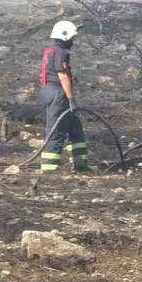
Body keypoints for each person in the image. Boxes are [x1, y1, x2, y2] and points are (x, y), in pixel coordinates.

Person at [38, 21, 92, 173]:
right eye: (72, 38)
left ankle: (80, 164)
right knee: (56, 130)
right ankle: (49, 168)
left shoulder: (52, 50)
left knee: (74, 127)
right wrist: (70, 99)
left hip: (51, 92)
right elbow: (63, 77)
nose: (73, 41)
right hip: (58, 94)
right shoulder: (60, 53)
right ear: (65, 36)